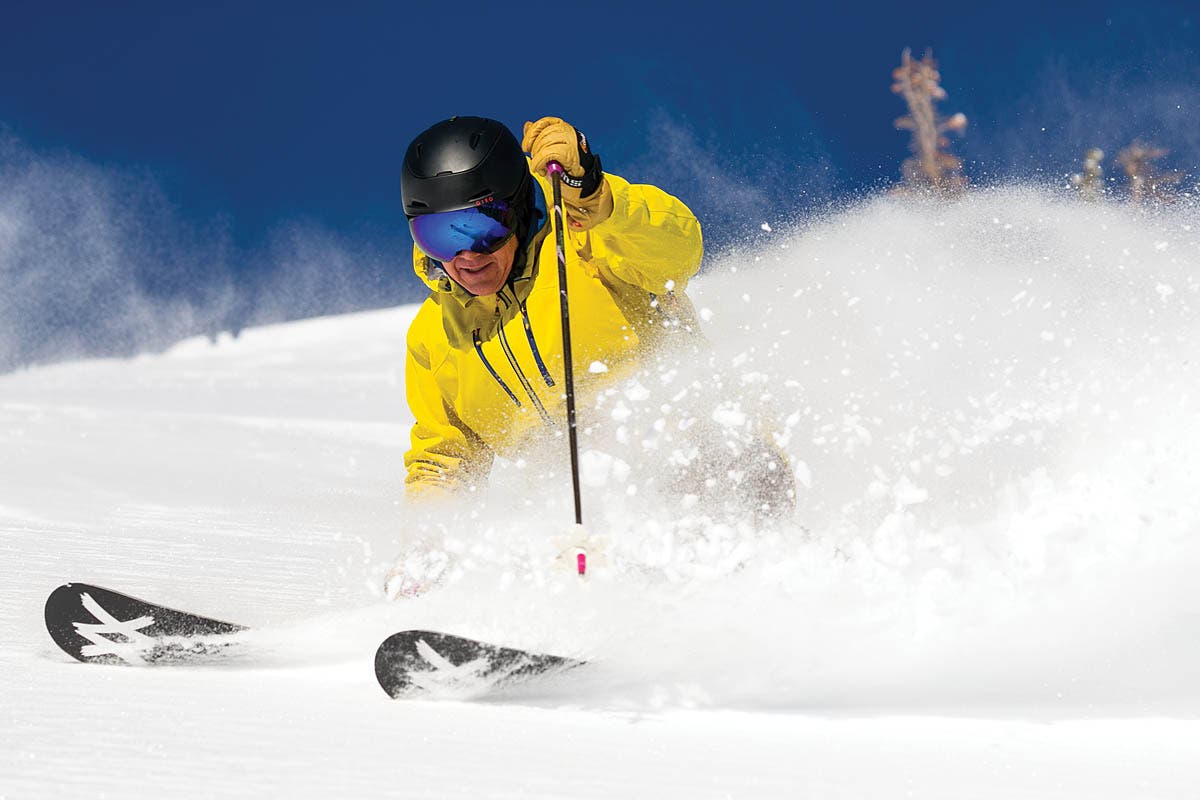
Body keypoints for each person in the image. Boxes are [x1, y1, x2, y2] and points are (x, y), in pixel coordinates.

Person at [400, 115, 705, 497]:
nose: (466, 255)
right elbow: (442, 463)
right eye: (437, 237)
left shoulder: (584, 239)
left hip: (702, 455)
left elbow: (680, 253)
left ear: (518, 209)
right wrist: (429, 541)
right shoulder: (435, 338)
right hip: (585, 517)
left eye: (482, 228)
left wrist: (595, 196)